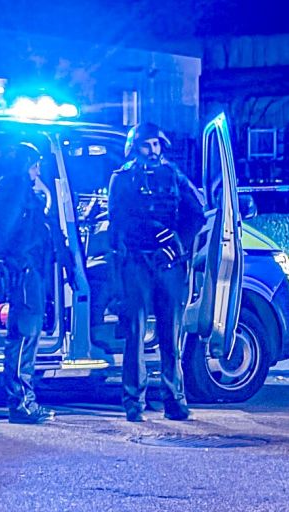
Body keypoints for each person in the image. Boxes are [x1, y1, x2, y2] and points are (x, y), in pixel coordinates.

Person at [107, 123, 206, 422]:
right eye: (146, 145)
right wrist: (148, 234)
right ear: (135, 147)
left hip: (169, 264)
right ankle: (133, 403)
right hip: (137, 261)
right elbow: (117, 221)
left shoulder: (174, 175)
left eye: (156, 144)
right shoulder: (121, 179)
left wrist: (177, 245)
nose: (153, 150)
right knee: (135, 333)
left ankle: (174, 400)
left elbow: (197, 214)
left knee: (170, 334)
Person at [0, 142, 75, 424]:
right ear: (24, 165)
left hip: (29, 269)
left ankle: (23, 400)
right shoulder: (15, 188)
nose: (38, 170)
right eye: (35, 164)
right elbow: (7, 233)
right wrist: (19, 261)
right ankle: (22, 403)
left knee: (26, 334)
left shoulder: (15, 189)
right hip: (25, 271)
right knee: (24, 335)